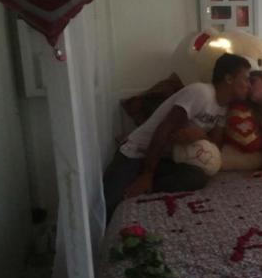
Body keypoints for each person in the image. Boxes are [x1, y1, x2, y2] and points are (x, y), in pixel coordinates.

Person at [103, 53, 251, 222]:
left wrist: (202, 135)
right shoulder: (201, 92)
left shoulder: (223, 108)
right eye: (246, 79)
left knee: (197, 177)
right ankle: (141, 182)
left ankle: (144, 191)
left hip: (166, 159)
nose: (249, 85)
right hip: (137, 153)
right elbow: (164, 130)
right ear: (229, 78)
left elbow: (215, 146)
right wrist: (147, 174)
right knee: (109, 205)